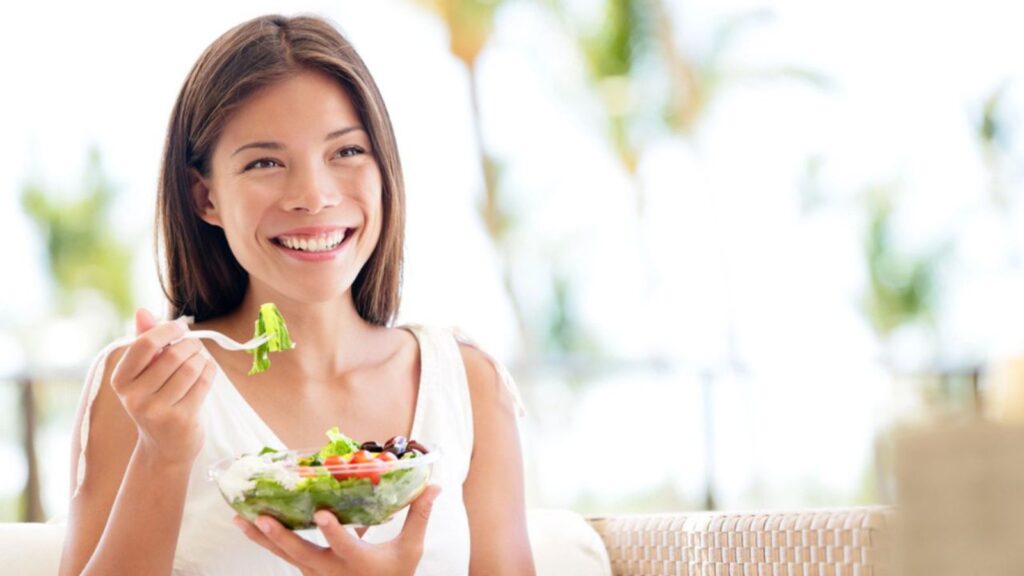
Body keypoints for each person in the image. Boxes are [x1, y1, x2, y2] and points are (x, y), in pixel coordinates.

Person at [58, 14, 535, 576]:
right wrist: (163, 454)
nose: (313, 196)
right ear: (204, 197)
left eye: (347, 152)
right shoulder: (145, 393)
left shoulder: (466, 383)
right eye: (265, 162)